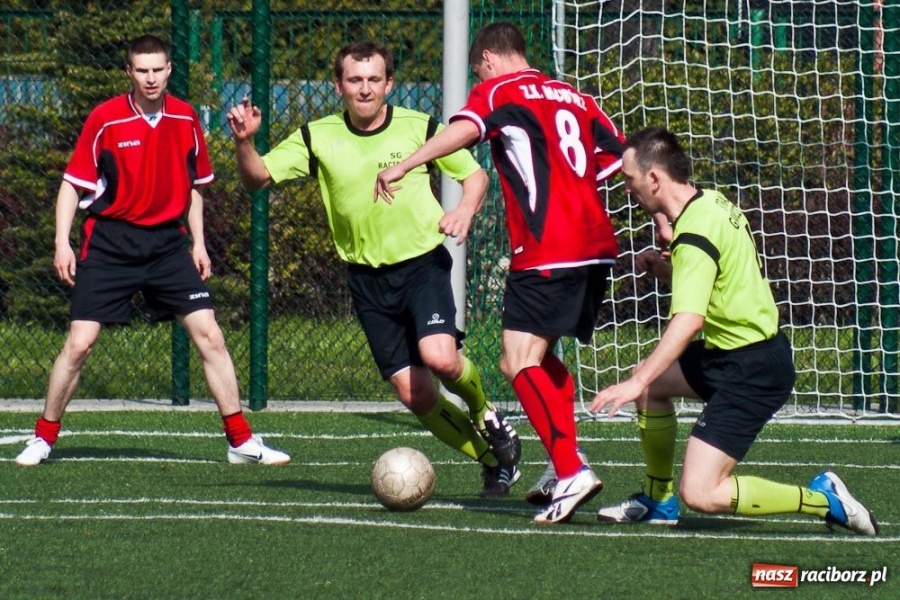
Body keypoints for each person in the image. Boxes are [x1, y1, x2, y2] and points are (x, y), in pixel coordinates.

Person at [226, 40, 521, 497]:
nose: (365, 89)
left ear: (389, 84)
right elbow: (257, 178)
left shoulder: (418, 126)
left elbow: (475, 175)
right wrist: (244, 142)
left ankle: (488, 416)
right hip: (366, 279)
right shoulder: (316, 135)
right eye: (355, 80)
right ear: (339, 85)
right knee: (415, 395)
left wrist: (464, 208)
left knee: (441, 358)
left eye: (374, 80)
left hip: (422, 265)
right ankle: (493, 462)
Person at [376, 23, 627, 524]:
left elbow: (465, 129)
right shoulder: (574, 96)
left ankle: (570, 468)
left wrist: (406, 164)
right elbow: (617, 157)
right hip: (596, 245)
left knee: (516, 362)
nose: (477, 76)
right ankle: (566, 469)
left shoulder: (498, 89)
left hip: (546, 247)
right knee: (541, 357)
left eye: (476, 69)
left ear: (488, 58)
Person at [14, 35, 289, 467]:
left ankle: (241, 441)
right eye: (142, 70)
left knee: (211, 336)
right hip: (109, 244)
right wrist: (61, 242)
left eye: (158, 69)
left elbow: (196, 187)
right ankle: (43, 437)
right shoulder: (105, 119)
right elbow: (73, 184)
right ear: (129, 73)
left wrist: (198, 242)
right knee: (80, 343)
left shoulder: (185, 117)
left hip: (167, 247)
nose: (151, 78)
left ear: (169, 70)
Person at [589, 126, 878, 536]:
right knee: (655, 387)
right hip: (729, 353)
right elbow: (715, 277)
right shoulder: (708, 202)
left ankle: (826, 500)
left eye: (630, 180)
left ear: (654, 179)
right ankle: (658, 500)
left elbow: (689, 320)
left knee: (703, 493)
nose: (628, 188)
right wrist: (669, 270)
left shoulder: (694, 233)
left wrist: (634, 382)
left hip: (752, 369)